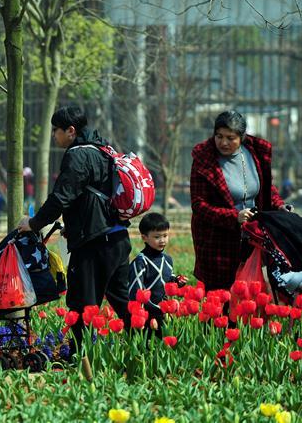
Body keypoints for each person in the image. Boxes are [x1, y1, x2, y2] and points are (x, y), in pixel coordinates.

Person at [18, 104, 131, 351]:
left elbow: (62, 197)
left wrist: (33, 223)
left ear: (70, 130)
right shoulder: (104, 149)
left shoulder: (77, 154)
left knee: (81, 303)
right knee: (124, 301)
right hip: (117, 237)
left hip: (93, 242)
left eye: (56, 130)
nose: (54, 135)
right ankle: (145, 348)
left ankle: (81, 356)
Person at [190, 110, 288, 292]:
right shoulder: (204, 160)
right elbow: (199, 205)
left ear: (242, 137)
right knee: (221, 299)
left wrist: (279, 205)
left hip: (253, 237)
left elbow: (266, 189)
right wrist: (234, 216)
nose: (224, 142)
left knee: (249, 294)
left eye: (230, 137)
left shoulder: (255, 154)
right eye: (219, 136)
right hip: (217, 240)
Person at [128, 212, 184, 334]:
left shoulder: (167, 260)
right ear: (144, 237)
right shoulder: (140, 262)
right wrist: (157, 309)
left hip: (165, 315)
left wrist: (176, 281)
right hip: (146, 316)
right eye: (157, 237)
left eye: (165, 236)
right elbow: (136, 292)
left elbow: (167, 279)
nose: (162, 240)